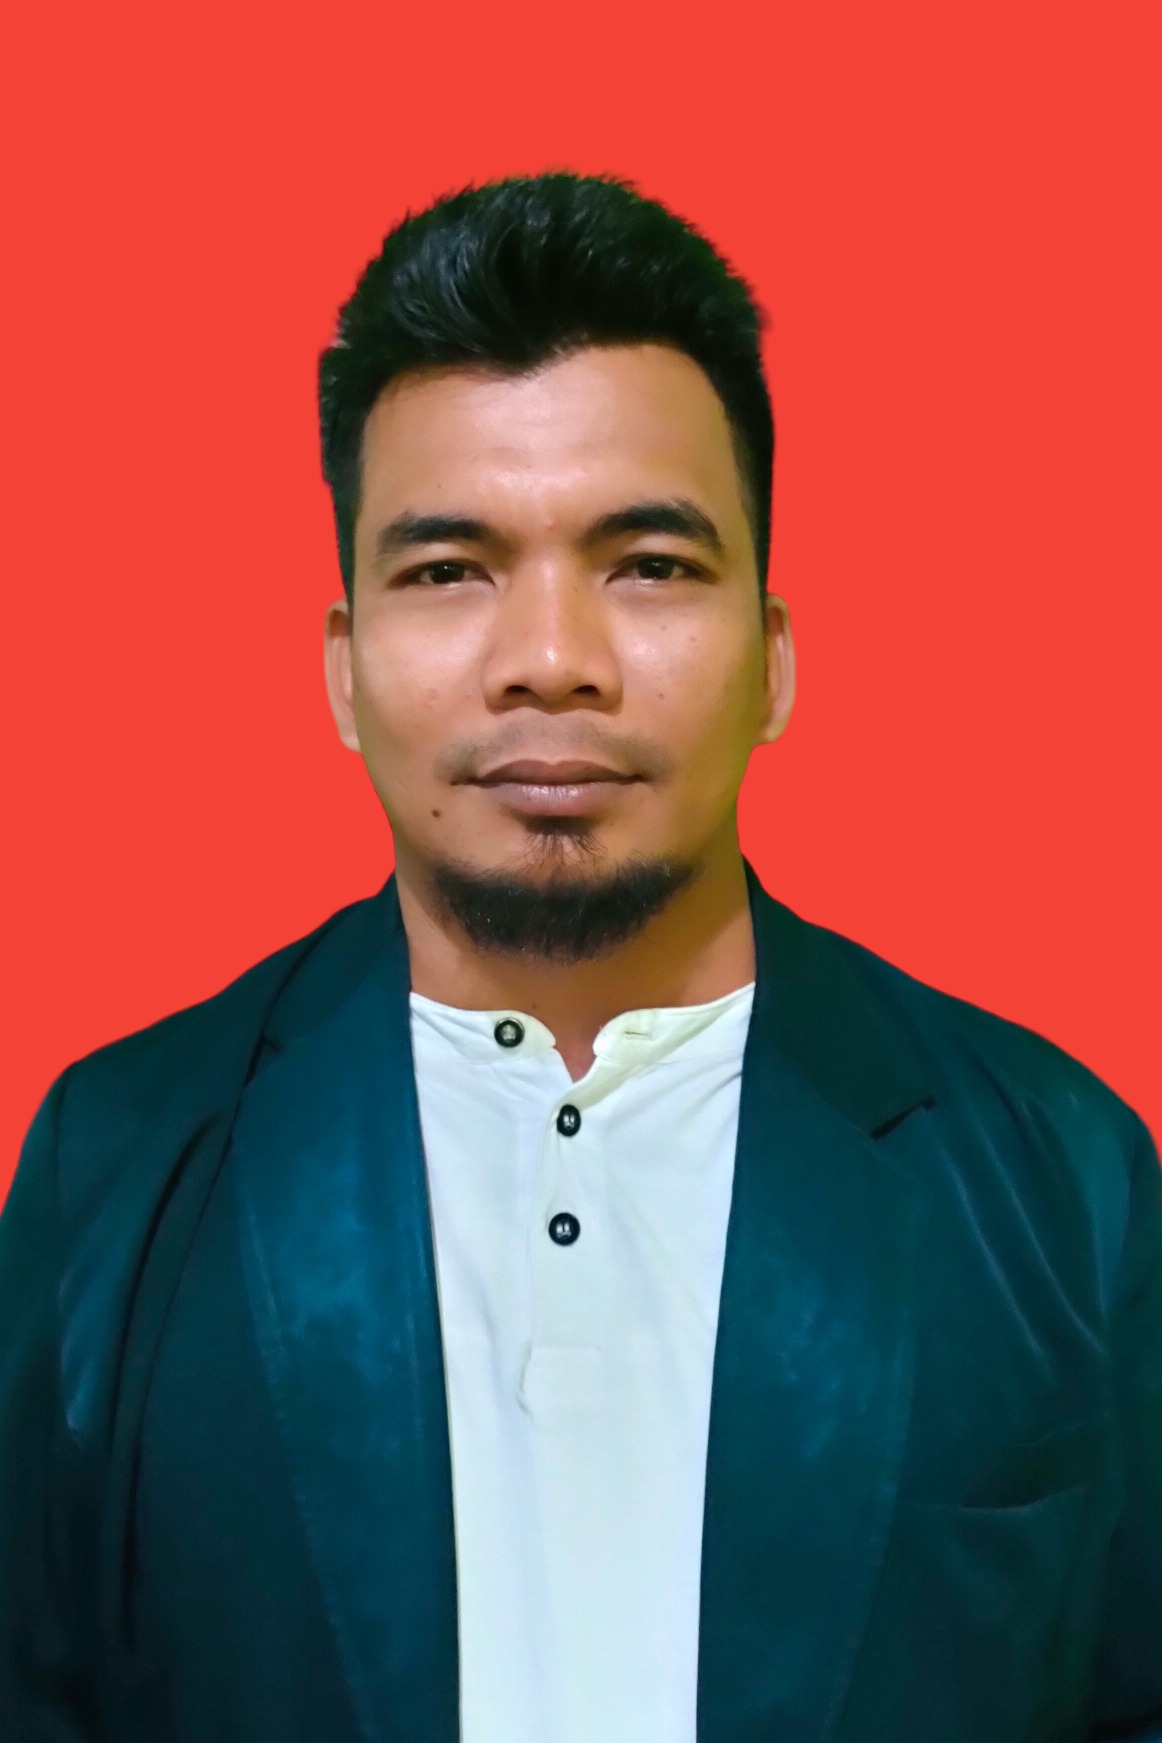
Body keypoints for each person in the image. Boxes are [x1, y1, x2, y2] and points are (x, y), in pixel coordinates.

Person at [1, 171, 1159, 1743]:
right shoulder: (122, 1161)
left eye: (649, 565)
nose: (551, 660)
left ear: (772, 657)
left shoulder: (1059, 1178)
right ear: (343, 670)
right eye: (447, 569)